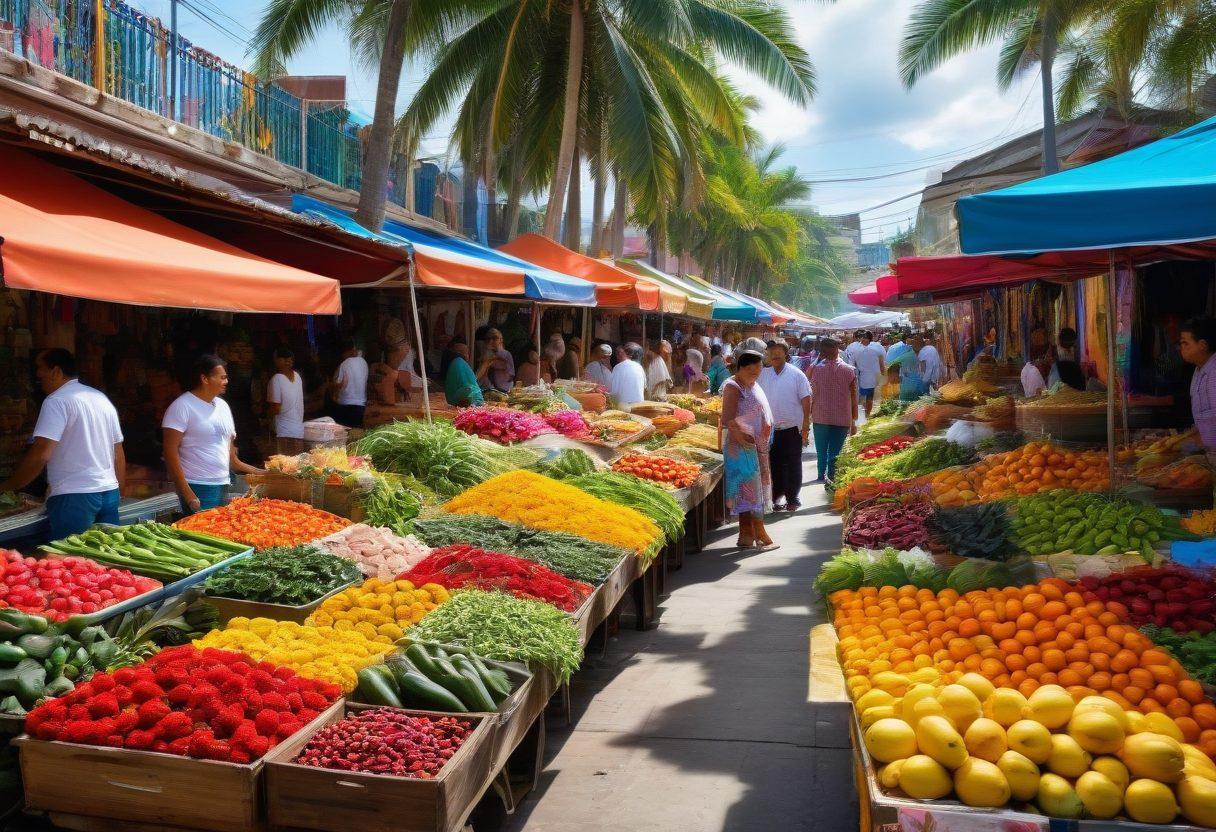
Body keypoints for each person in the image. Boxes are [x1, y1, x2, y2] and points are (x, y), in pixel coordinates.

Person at [0, 349, 125, 538]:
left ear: (56, 371)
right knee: (105, 558)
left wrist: (8, 487)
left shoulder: (56, 401)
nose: (37, 375)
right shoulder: (101, 399)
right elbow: (119, 453)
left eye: (40, 368)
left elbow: (41, 454)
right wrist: (117, 492)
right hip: (108, 492)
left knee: (71, 560)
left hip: (74, 497)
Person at [163, 354, 263, 515]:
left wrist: (263, 473)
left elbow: (233, 460)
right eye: (222, 377)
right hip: (197, 487)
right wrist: (188, 493)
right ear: (205, 379)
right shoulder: (182, 406)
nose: (226, 382)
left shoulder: (223, 406)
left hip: (223, 485)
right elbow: (169, 451)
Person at [721, 351, 777, 551]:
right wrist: (742, 439)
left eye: (759, 368)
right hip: (742, 450)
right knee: (751, 493)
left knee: (751, 492)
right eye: (753, 368)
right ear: (743, 368)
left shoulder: (752, 384)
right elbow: (727, 419)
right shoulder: (732, 386)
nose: (757, 372)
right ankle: (760, 535)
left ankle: (746, 536)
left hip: (755, 448)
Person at [758, 341, 811, 512]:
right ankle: (776, 496)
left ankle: (793, 498)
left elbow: (806, 400)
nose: (774, 355)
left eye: (778, 352)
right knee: (774, 464)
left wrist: (805, 427)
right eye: (771, 351)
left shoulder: (796, 375)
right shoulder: (763, 374)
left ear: (786, 354)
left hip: (792, 428)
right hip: (771, 430)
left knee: (793, 463)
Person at [808, 338, 858, 484]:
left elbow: (811, 392)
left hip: (820, 415)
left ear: (822, 352)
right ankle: (832, 474)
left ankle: (820, 474)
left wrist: (809, 414)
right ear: (838, 350)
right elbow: (854, 398)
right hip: (842, 416)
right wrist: (853, 419)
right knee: (836, 449)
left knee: (821, 448)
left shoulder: (815, 370)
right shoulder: (850, 371)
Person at [1180, 317, 1216, 450]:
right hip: (1207, 451)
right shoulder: (1198, 370)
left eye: (1185, 343)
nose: (1181, 348)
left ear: (1202, 345)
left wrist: (1191, 443)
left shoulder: (1214, 372)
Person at [266, 346, 305, 454]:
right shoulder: (297, 377)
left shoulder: (276, 379)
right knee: (296, 467)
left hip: (283, 433)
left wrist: (266, 417)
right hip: (298, 432)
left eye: (275, 358)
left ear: (280, 360)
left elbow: (276, 408)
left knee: (283, 467)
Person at [330, 338, 368, 429]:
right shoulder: (364, 362)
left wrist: (331, 386)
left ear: (344, 352)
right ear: (353, 348)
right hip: (361, 408)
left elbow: (337, 385)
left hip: (345, 407)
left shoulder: (344, 364)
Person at [440, 339, 485, 407]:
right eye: (459, 352)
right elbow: (468, 389)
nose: (464, 355)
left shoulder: (458, 363)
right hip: (464, 404)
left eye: (465, 352)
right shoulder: (458, 362)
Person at [853, 330, 886, 418]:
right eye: (862, 338)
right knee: (867, 397)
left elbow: (882, 362)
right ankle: (866, 413)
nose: (862, 339)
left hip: (872, 376)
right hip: (863, 376)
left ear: (868, 339)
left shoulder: (876, 348)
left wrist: (883, 374)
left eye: (864, 338)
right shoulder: (857, 349)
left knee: (869, 397)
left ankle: (867, 414)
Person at [608, 343, 647, 409]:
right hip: (639, 405)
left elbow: (613, 390)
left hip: (623, 406)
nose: (619, 354)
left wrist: (612, 406)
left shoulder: (618, 367)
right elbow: (644, 387)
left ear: (629, 354)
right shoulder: (639, 367)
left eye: (622, 352)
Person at [478, 328, 515, 394]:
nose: (490, 341)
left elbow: (496, 364)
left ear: (501, 340)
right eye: (488, 339)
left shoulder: (505, 354)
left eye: (494, 338)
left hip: (503, 391)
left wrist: (487, 352)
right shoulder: (488, 354)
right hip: (489, 390)